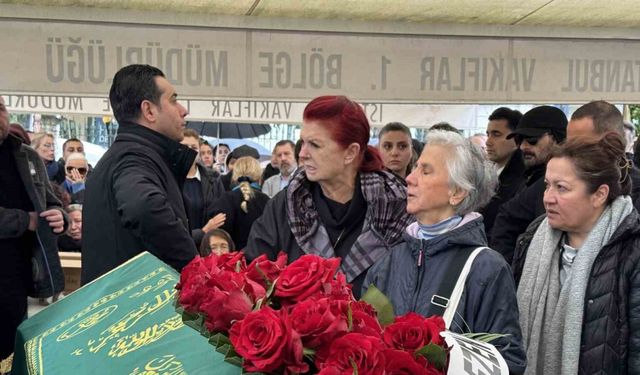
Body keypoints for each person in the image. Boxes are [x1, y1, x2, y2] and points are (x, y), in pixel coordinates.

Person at [363, 130, 526, 373]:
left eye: (425, 171)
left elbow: (506, 360)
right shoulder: (389, 262)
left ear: (457, 192)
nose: (410, 177)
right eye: (415, 167)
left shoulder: (486, 268)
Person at [244, 95, 413, 298]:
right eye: (302, 142)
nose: (303, 154)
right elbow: (255, 278)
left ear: (350, 152)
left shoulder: (399, 210)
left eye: (314, 145)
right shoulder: (285, 205)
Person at [515, 133, 640, 374]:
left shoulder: (632, 250)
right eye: (547, 185)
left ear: (599, 194)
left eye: (561, 188)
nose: (548, 198)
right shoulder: (533, 237)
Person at [81, 64, 198, 284]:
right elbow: (143, 206)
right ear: (149, 111)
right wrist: (192, 265)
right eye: (173, 100)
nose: (183, 110)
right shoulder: (134, 157)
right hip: (134, 309)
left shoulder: (128, 155)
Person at [0, 96, 66, 367]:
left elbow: (50, 201)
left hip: (22, 274)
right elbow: (30, 217)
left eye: (0, 108)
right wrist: (23, 220)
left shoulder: (26, 155)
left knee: (13, 349)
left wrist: (59, 216)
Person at [491, 105, 568, 263]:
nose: (523, 146)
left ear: (557, 139)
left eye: (532, 140)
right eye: (519, 140)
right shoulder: (527, 178)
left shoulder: (537, 180)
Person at [567, 100, 640, 208]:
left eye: (582, 146)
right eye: (568, 146)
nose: (571, 154)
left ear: (613, 141)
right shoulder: (560, 179)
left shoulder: (636, 189)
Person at [479, 107, 525, 241]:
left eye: (496, 134)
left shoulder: (522, 181)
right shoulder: (486, 173)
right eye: (488, 134)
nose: (488, 142)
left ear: (516, 139)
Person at [210, 157, 270, 250]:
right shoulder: (266, 201)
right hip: (259, 258)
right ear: (259, 175)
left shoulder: (224, 200)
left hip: (231, 259)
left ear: (234, 175)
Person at [180, 129, 226, 247]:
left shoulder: (213, 179)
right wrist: (203, 231)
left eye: (194, 147)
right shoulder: (168, 178)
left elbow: (221, 215)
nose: (189, 150)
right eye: (185, 146)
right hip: (180, 246)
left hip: (208, 247)